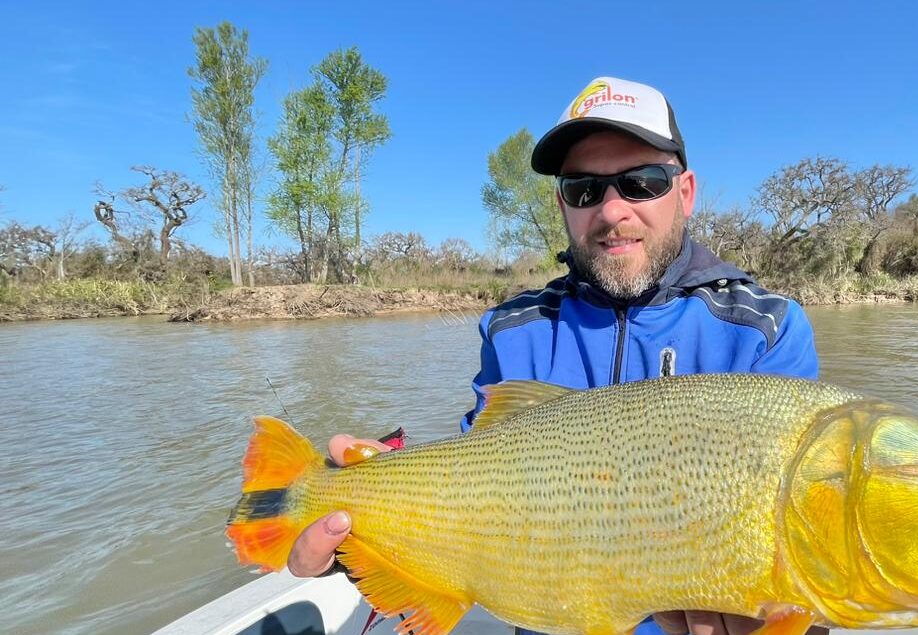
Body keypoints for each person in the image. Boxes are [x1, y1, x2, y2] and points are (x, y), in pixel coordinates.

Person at [287, 77, 821, 635]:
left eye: (643, 182)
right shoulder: (512, 330)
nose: (613, 211)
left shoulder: (765, 330)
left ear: (685, 192)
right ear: (563, 203)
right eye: (584, 189)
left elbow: (802, 547)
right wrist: (360, 525)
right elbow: (475, 503)